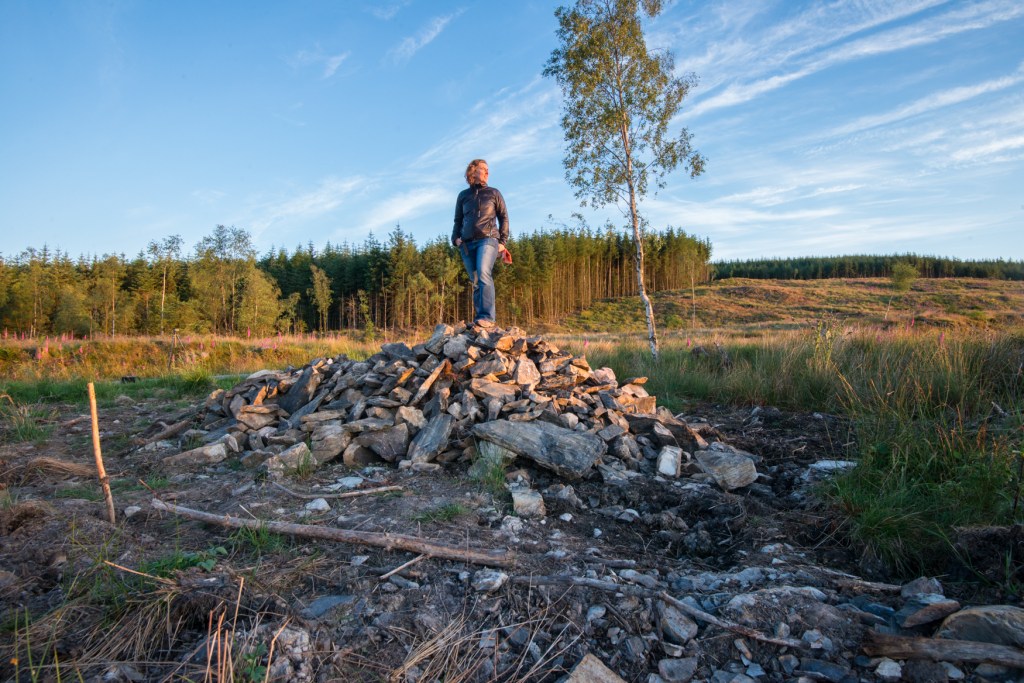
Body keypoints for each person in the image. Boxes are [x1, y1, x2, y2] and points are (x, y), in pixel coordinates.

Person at [452, 158, 509, 327]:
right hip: (467, 244)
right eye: (483, 168)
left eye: (487, 169)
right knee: (476, 281)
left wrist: (503, 241)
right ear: (473, 171)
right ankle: (479, 320)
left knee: (484, 273)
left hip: (488, 239)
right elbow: (458, 220)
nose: (487, 172)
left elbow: (504, 217)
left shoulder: (494, 193)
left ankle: (487, 318)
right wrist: (455, 239)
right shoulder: (463, 196)